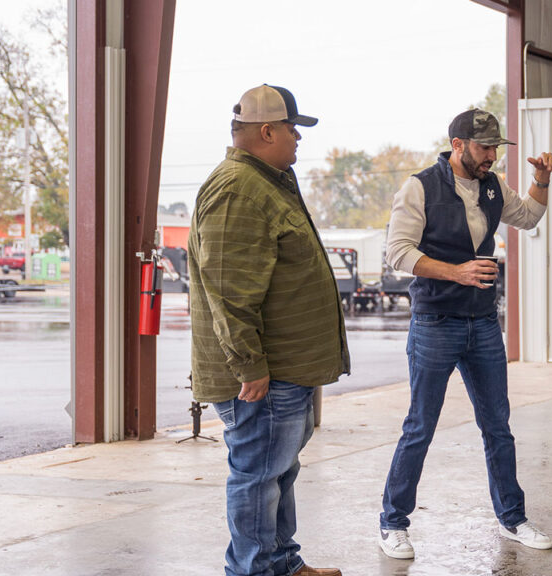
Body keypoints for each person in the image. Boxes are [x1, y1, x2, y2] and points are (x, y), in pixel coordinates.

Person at [377, 108, 552, 559]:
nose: (492, 156)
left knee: (498, 426)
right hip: (435, 322)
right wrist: (455, 272)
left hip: (481, 323)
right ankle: (392, 523)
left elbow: (528, 217)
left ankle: (512, 519)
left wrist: (542, 179)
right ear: (457, 145)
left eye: (496, 148)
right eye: (484, 148)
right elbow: (397, 253)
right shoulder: (420, 187)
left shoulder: (493, 185)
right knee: (420, 426)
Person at [188, 84, 350, 576]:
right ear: (266, 131)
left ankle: (282, 562)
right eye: (293, 129)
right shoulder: (239, 189)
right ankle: (256, 570)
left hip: (284, 371)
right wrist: (250, 366)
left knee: (277, 471)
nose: (299, 139)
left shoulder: (268, 182)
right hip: (262, 376)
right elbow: (228, 290)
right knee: (258, 474)